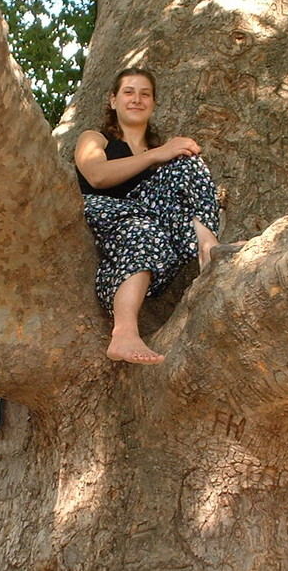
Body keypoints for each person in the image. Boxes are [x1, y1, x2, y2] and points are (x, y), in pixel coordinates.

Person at [75, 67, 224, 365]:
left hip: (156, 241)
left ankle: (210, 251)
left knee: (188, 161)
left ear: (153, 103)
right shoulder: (95, 139)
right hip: (107, 216)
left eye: (145, 94)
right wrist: (156, 155)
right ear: (113, 100)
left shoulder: (165, 156)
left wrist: (167, 154)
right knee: (144, 229)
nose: (137, 99)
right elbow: (96, 175)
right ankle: (124, 334)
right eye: (128, 92)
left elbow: (178, 181)